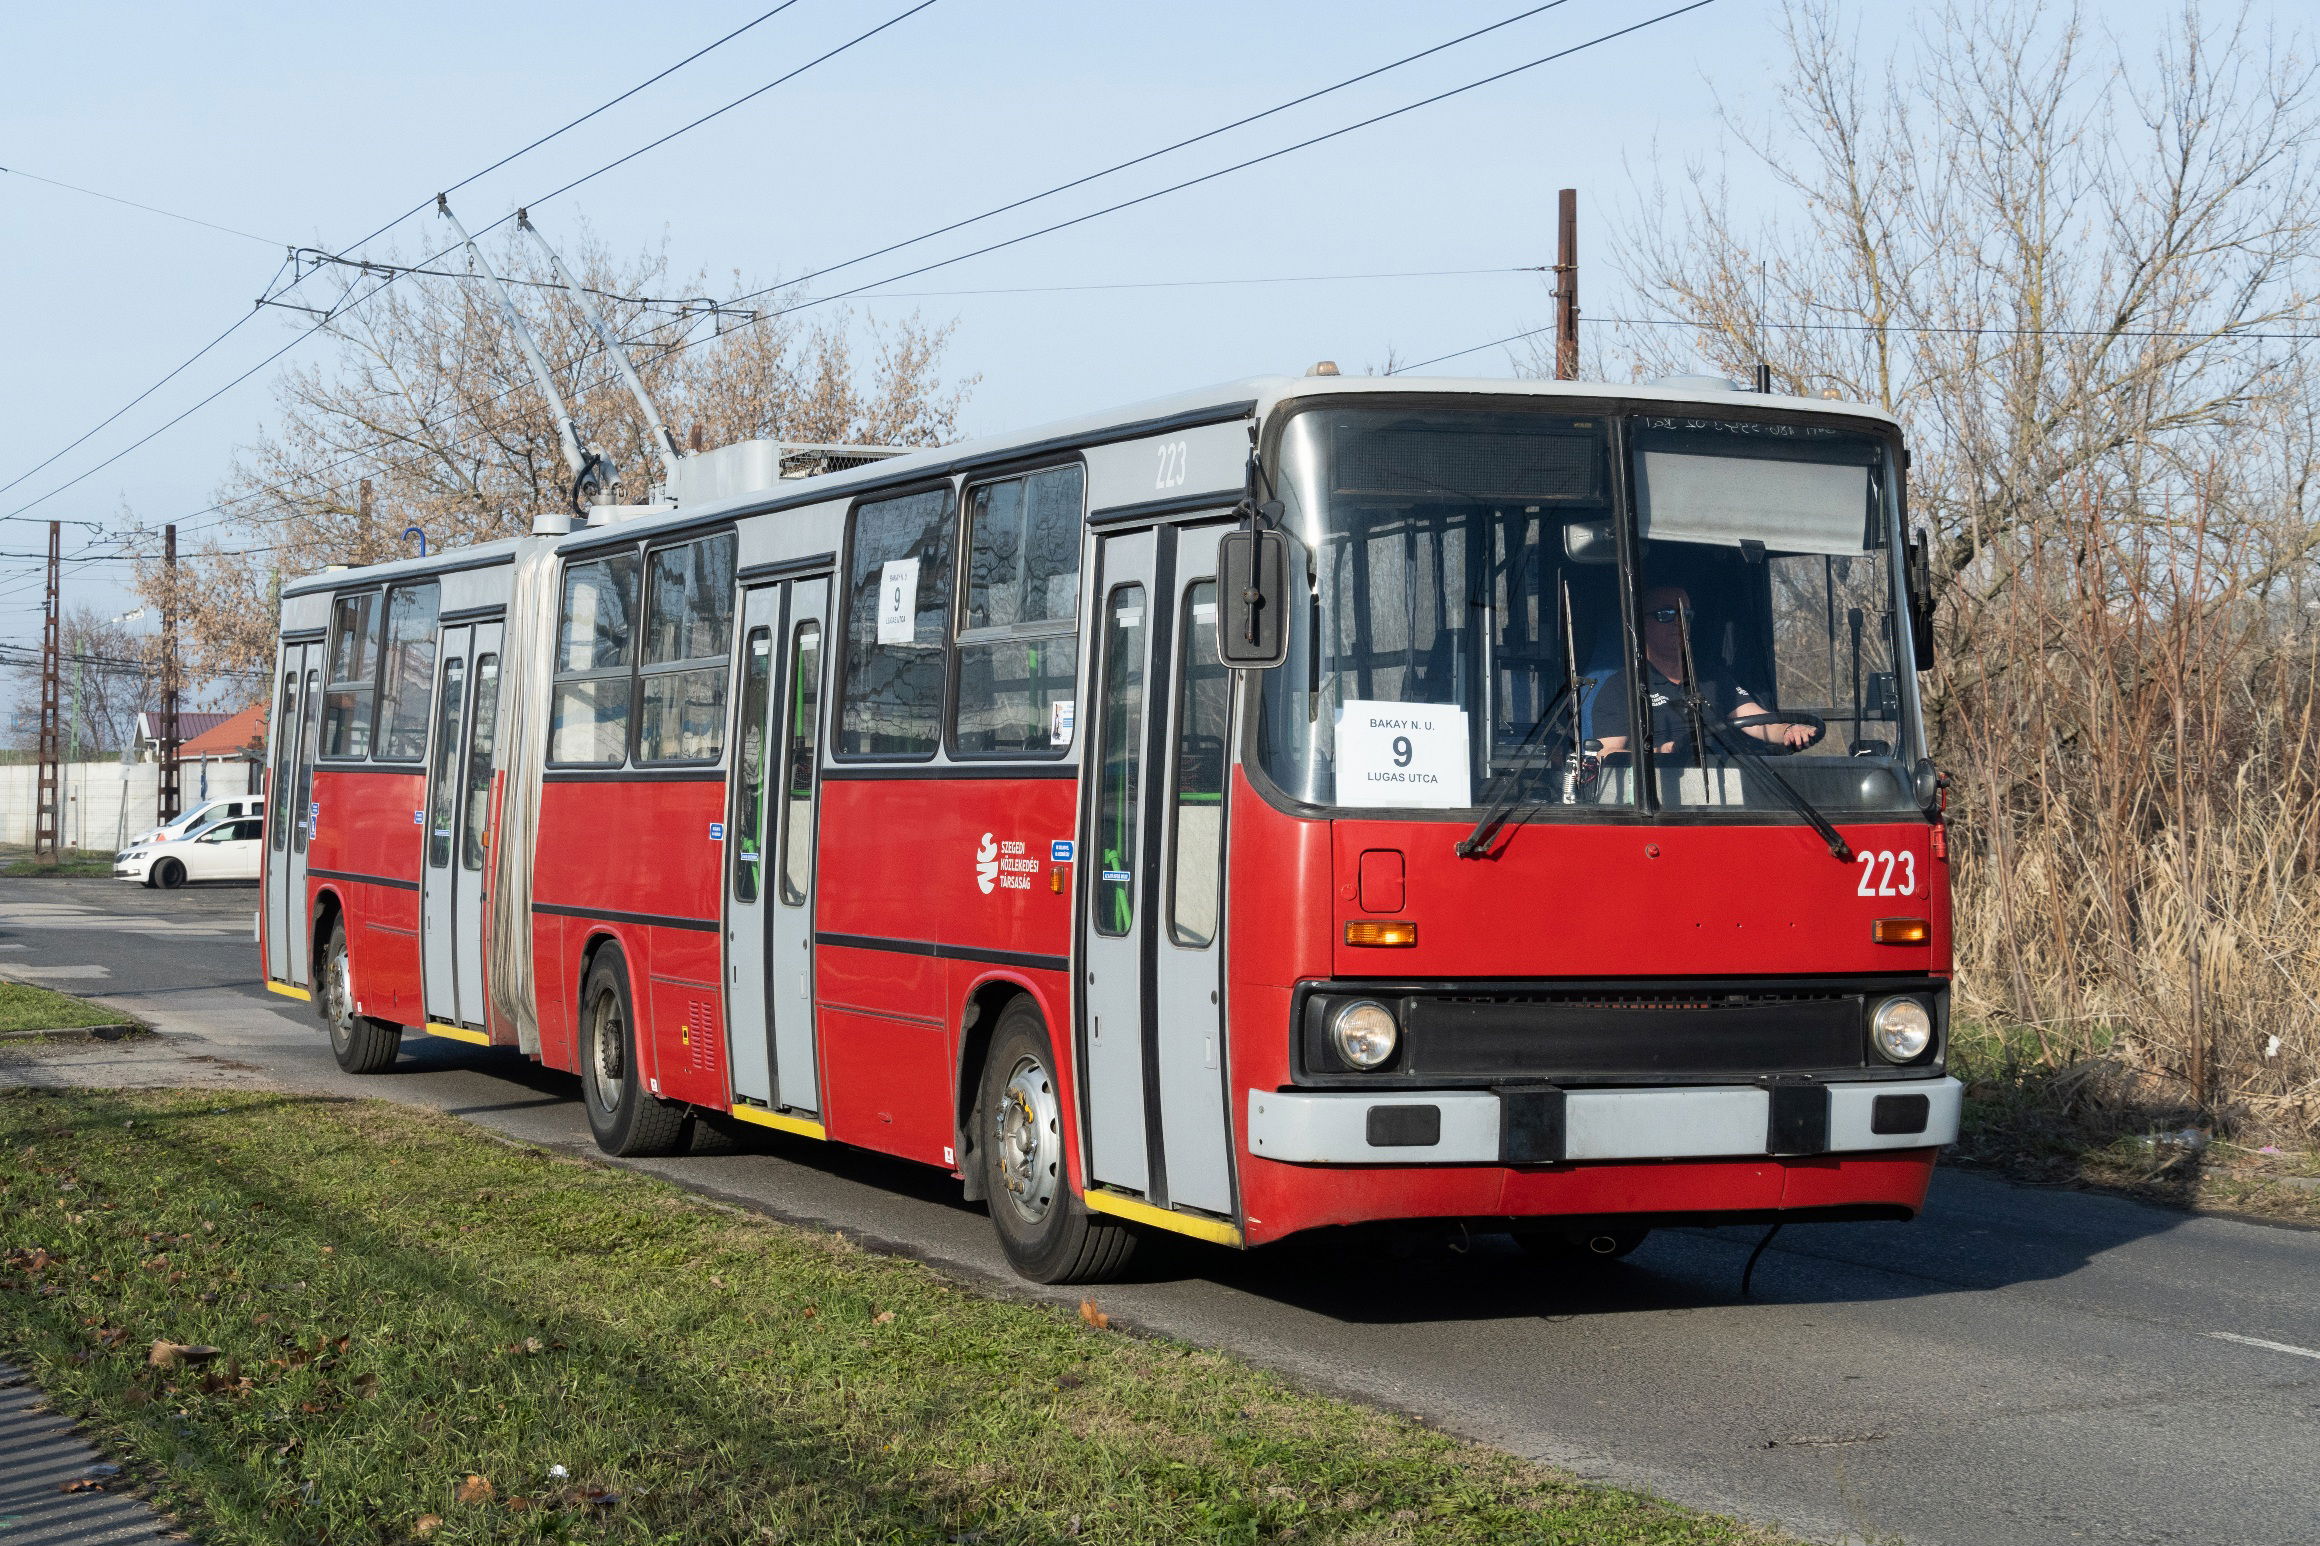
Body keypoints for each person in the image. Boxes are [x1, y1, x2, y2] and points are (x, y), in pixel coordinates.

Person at [1591, 585, 1816, 758]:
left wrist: (1788, 730)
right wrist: (1664, 752)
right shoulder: (1621, 688)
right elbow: (1608, 754)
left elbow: (1759, 722)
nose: (1678, 623)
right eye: (1666, 614)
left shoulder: (1713, 677)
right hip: (1663, 791)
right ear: (1641, 625)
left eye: (1685, 615)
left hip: (1730, 781)